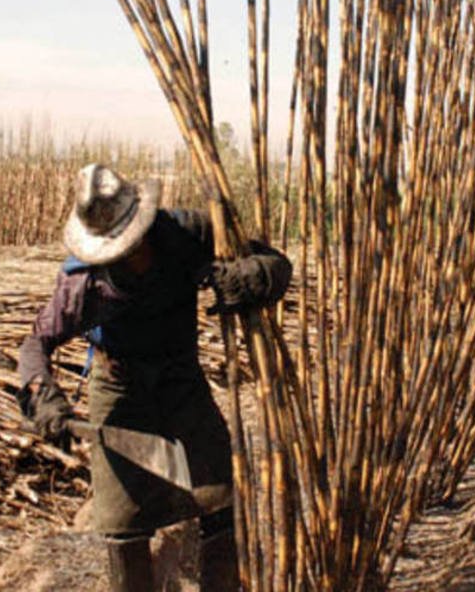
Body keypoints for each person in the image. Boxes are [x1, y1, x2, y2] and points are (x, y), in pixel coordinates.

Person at [16, 163, 292, 592]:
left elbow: (276, 264)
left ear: (143, 227)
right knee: (122, 523)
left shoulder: (189, 234)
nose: (126, 258)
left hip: (181, 380)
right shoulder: (82, 283)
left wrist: (250, 278)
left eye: (130, 246)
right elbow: (35, 345)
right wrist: (44, 396)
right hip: (118, 387)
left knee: (220, 499)